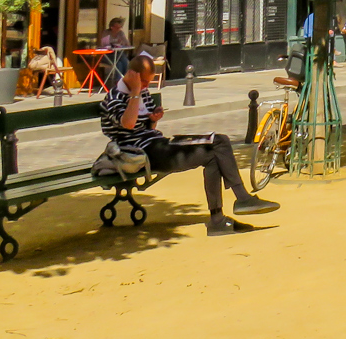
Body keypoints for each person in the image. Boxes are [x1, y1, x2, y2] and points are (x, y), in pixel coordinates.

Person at [102, 53, 279, 235]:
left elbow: (145, 127)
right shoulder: (115, 97)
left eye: (148, 82)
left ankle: (220, 217)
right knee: (217, 146)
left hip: (157, 144)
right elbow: (128, 124)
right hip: (142, 153)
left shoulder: (142, 92)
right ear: (133, 75)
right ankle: (239, 201)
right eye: (144, 81)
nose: (146, 86)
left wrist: (153, 119)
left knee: (218, 144)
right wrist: (135, 92)